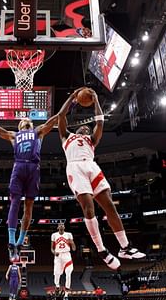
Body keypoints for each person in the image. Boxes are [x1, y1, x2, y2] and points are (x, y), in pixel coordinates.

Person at [57, 88, 146, 271]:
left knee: (109, 206)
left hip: (92, 166)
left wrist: (96, 99)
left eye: (88, 128)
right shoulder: (67, 136)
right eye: (83, 127)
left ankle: (125, 247)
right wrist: (73, 98)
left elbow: (100, 121)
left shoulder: (92, 140)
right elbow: (60, 116)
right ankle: (102, 250)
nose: (86, 128)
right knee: (89, 208)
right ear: (77, 128)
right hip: (75, 167)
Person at [0, 111, 59, 262]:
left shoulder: (38, 131)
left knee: (29, 206)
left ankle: (20, 242)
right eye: (23, 119)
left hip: (34, 168)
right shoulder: (13, 135)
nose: (26, 120)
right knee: (15, 202)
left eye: (28, 119)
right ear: (19, 126)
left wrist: (70, 103)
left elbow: (54, 119)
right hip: (19, 167)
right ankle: (11, 242)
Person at [51, 223, 76, 300]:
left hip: (67, 255)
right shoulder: (54, 235)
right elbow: (52, 248)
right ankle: (57, 286)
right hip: (58, 256)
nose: (61, 225)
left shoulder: (69, 234)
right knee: (56, 273)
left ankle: (66, 296)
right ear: (58, 227)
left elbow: (74, 247)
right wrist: (54, 252)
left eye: (63, 224)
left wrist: (72, 244)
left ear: (64, 227)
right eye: (60, 225)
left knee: (69, 274)